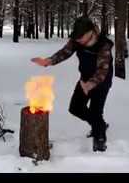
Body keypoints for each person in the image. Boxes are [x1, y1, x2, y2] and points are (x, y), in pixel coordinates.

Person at [31, 17, 113, 152]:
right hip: (84, 78)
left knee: (96, 111)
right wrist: (49, 61)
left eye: (81, 36)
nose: (78, 39)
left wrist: (90, 84)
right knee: (75, 108)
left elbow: (102, 70)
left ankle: (100, 140)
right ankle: (100, 125)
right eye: (76, 37)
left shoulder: (103, 46)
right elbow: (65, 52)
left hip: (101, 81)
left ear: (91, 32)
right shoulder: (77, 41)